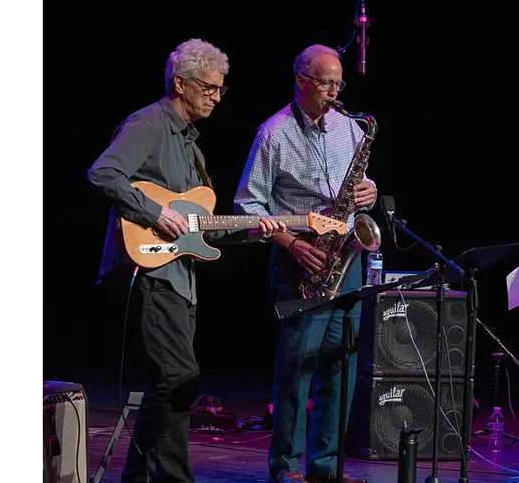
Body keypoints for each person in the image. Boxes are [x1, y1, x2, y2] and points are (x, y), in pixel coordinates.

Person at [87, 38, 286, 483]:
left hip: (180, 279)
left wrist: (258, 229)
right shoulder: (149, 124)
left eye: (221, 89)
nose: (217, 96)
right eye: (209, 87)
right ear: (181, 83)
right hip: (150, 273)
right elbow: (102, 174)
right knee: (180, 378)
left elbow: (198, 226)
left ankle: (137, 476)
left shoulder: (191, 147)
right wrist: (156, 212)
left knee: (164, 385)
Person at [233, 44, 377, 483]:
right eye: (327, 83)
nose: (335, 92)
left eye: (339, 82)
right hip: (303, 258)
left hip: (345, 255)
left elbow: (361, 181)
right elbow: (247, 205)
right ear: (302, 81)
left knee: (341, 363)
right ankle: (285, 467)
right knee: (297, 366)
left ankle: (327, 467)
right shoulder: (273, 133)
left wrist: (369, 191)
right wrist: (290, 243)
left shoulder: (349, 129)